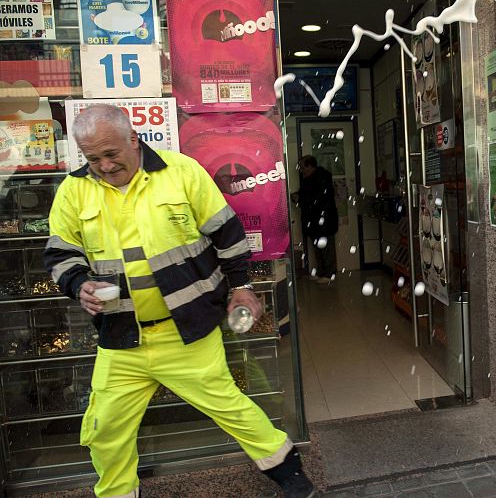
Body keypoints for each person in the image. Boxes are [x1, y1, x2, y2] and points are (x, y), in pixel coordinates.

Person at [43, 105, 317, 498]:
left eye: (111, 154)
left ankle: (288, 473)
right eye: (93, 158)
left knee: (230, 407)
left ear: (133, 139)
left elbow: (227, 233)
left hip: (187, 330)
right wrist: (77, 283)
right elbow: (60, 253)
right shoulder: (73, 190)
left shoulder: (181, 172)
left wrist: (241, 286)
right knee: (105, 428)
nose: (103, 165)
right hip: (122, 339)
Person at [292, 155, 338, 284]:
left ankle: (329, 273)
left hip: (323, 220)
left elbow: (318, 200)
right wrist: (296, 196)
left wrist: (300, 199)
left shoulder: (321, 178)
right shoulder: (311, 179)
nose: (301, 170)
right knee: (319, 249)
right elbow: (308, 196)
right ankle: (322, 272)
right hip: (316, 221)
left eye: (302, 167)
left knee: (326, 249)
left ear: (310, 166)